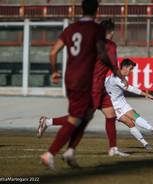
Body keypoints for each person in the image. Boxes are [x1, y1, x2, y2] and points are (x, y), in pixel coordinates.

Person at [39, 0, 121, 170]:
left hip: (70, 78)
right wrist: (114, 67)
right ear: (97, 11)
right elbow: (102, 53)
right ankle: (50, 153)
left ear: (81, 9)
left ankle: (70, 151)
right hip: (85, 80)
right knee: (76, 118)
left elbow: (53, 52)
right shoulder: (96, 29)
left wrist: (54, 71)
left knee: (87, 114)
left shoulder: (70, 28)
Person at [105, 58, 153, 149]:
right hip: (114, 106)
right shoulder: (115, 78)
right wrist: (148, 95)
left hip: (122, 102)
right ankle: (145, 142)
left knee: (135, 116)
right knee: (130, 123)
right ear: (125, 67)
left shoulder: (121, 77)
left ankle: (152, 130)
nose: (131, 71)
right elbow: (131, 88)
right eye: (130, 69)